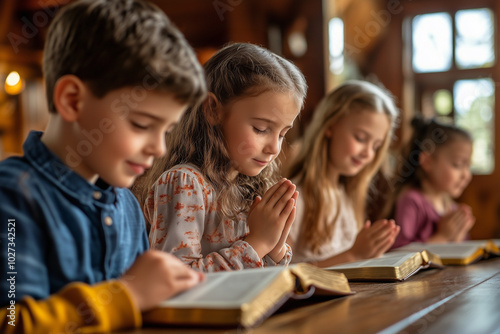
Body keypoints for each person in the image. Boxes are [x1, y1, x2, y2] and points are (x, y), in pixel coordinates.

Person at [0, 0, 207, 333]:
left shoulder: (126, 204)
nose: (159, 147)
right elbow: (10, 322)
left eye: (167, 130)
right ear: (72, 100)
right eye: (142, 124)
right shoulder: (13, 195)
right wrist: (127, 294)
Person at [134, 43, 307, 272]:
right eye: (261, 129)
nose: (274, 148)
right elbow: (175, 279)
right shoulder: (184, 184)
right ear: (213, 110)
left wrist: (274, 251)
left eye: (283, 134)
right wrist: (258, 243)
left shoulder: (248, 188)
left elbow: (250, 280)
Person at [286, 80, 400, 267]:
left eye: (376, 146)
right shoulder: (295, 198)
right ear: (330, 125)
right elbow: (282, 275)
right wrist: (354, 255)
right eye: (361, 138)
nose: (368, 153)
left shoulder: (346, 196)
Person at [389, 117, 475, 248]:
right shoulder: (411, 201)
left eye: (468, 166)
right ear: (427, 162)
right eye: (457, 165)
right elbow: (400, 253)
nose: (467, 175)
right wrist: (443, 237)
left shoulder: (451, 208)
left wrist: (458, 234)